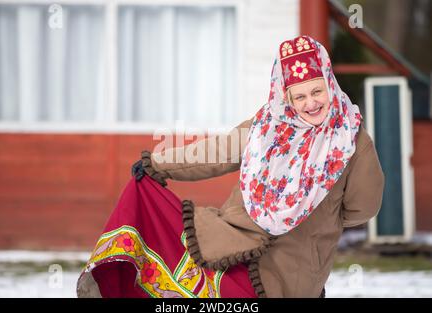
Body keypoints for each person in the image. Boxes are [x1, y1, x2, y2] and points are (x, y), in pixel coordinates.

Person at [77, 35, 385, 298]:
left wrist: (318, 216)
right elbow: (218, 152)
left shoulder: (352, 142)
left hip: (293, 274)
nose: (310, 103)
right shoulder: (267, 126)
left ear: (330, 85)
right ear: (286, 97)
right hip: (232, 254)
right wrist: (158, 163)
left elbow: (364, 207)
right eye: (299, 96)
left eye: (317, 91)